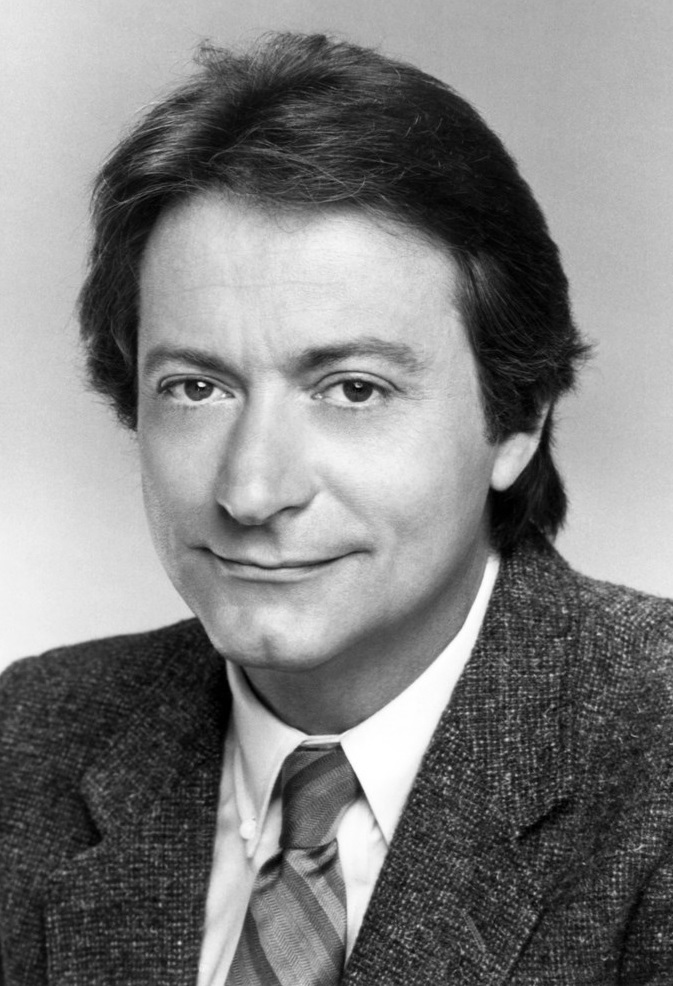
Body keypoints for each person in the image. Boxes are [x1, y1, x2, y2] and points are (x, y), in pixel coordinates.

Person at [1, 31, 672, 986]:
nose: (252, 491)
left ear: (516, 418)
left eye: (352, 390)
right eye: (196, 388)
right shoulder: (30, 737)